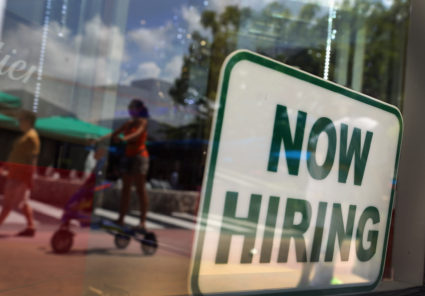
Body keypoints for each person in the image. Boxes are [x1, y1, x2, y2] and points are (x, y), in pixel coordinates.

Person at [103, 99, 150, 230]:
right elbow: (114, 133)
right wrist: (99, 139)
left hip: (140, 157)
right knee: (126, 189)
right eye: (129, 108)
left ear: (139, 109)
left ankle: (143, 222)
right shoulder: (128, 123)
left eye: (132, 108)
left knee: (140, 189)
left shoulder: (142, 122)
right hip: (128, 156)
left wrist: (125, 138)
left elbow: (138, 133)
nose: (130, 110)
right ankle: (121, 219)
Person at [0, 110, 40, 236]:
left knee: (8, 203)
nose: (19, 122)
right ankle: (31, 226)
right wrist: (6, 167)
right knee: (22, 202)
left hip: (19, 176)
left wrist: (30, 178)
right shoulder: (26, 136)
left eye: (21, 119)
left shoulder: (31, 137)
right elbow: (17, 156)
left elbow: (32, 159)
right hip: (15, 174)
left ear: (28, 121)